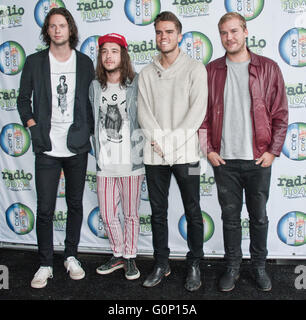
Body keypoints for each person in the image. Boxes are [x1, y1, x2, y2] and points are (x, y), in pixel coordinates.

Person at [200, 12, 288, 292]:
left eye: (234, 31)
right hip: (224, 161)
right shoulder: (211, 70)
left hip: (259, 160)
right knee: (229, 218)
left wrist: (273, 151)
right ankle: (233, 266)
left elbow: (281, 114)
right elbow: (201, 117)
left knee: (259, 217)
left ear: (246, 31)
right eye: (224, 33)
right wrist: (208, 150)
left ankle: (259, 266)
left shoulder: (268, 68)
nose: (230, 37)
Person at [17, 8, 95, 289]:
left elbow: (90, 102)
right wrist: (33, 126)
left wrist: (89, 130)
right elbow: (23, 99)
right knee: (45, 208)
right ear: (47, 31)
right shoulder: (35, 61)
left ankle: (71, 256)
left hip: (77, 146)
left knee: (75, 204)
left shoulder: (85, 62)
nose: (58, 30)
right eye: (53, 26)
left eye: (62, 26)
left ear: (70, 29)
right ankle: (45, 263)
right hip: (46, 147)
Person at [137, 11, 208, 291]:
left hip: (188, 155)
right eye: (159, 32)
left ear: (180, 35)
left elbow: (196, 113)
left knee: (193, 209)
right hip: (154, 156)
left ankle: (194, 263)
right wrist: (162, 145)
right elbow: (144, 114)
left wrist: (170, 144)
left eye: (169, 32)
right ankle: (161, 263)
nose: (163, 37)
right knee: (158, 212)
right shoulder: (145, 72)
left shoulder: (195, 69)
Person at [89, 33, 145, 280]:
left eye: (114, 50)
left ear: (123, 54)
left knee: (131, 214)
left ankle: (130, 257)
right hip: (105, 163)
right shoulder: (94, 87)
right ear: (100, 57)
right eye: (104, 51)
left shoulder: (136, 83)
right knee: (108, 214)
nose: (109, 56)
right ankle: (118, 252)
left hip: (131, 163)